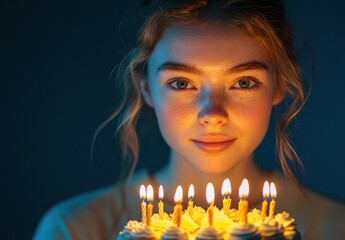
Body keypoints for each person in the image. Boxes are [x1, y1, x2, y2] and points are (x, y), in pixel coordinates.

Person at [33, 0, 345, 239]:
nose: (212, 114)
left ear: (280, 86)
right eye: (181, 83)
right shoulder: (73, 228)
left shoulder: (333, 227)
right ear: (147, 89)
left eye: (245, 82)